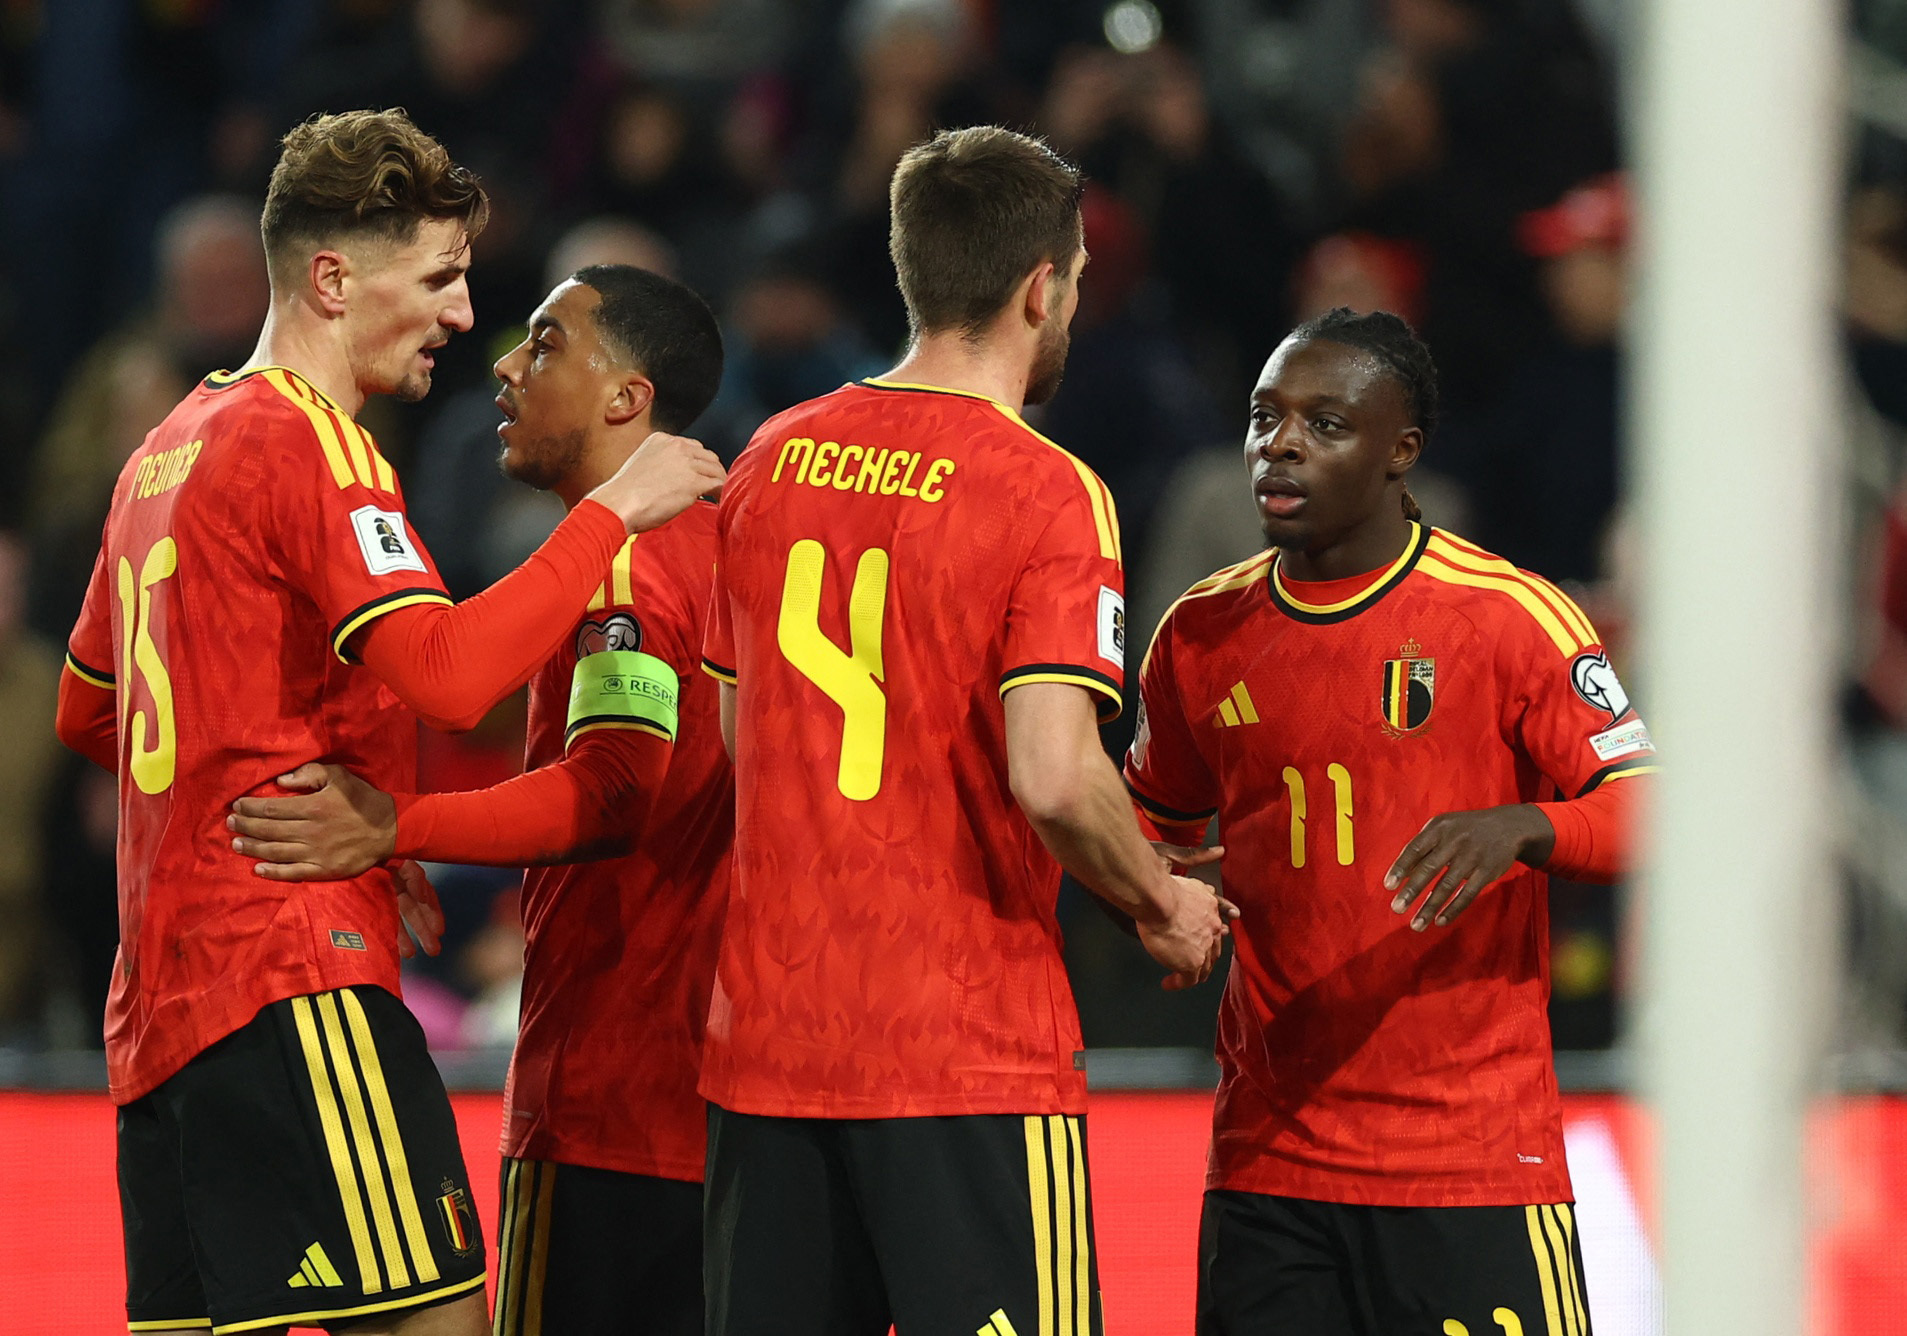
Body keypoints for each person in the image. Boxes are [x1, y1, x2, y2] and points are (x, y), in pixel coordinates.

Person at [53, 110, 723, 1336]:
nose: (465, 321)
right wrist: (614, 511)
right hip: (294, 977)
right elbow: (451, 675)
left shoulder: (164, 448)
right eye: (440, 279)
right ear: (332, 278)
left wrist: (290, 780)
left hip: (158, 1013)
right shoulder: (316, 446)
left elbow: (91, 705)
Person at [698, 124, 1234, 1336]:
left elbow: (742, 737)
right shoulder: (1044, 489)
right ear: (1040, 286)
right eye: (1077, 284)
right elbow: (1053, 775)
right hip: (959, 1056)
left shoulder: (771, 458)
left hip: (766, 1053)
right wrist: (1157, 894)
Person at [1123, 307, 1655, 1336]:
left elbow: (1649, 803)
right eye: (1262, 417)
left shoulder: (1504, 616)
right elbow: (1157, 830)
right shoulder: (1198, 634)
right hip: (1268, 1164)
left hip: (1469, 1165)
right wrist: (1152, 898)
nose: (1278, 443)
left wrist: (1523, 828)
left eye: (1324, 424)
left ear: (1399, 452)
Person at [224, 263, 733, 1335]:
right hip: (730, 1096)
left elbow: (608, 797)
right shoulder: (723, 553)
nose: (503, 364)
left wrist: (389, 822)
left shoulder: (625, 572)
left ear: (625, 398)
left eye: (545, 344)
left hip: (614, 1100)